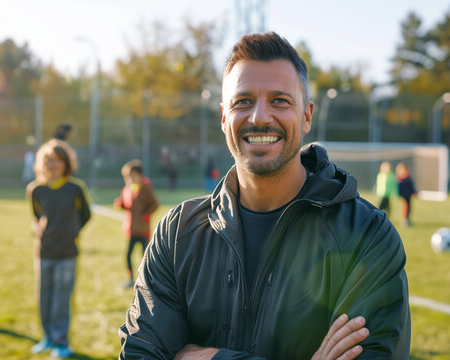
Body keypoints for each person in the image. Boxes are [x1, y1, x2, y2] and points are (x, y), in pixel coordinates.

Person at [119, 32, 410, 359]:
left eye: (280, 101)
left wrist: (206, 356)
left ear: (307, 117)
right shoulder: (177, 233)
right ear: (224, 117)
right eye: (243, 101)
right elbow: (140, 354)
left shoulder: (367, 235)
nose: (259, 117)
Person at [26, 139, 91, 358]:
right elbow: (37, 215)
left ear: (66, 163)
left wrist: (71, 232)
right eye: (49, 161)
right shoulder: (35, 189)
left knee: (62, 299)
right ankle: (48, 337)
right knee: (44, 296)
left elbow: (86, 216)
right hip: (43, 251)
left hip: (67, 252)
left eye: (57, 161)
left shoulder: (75, 188)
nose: (53, 165)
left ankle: (62, 343)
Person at [114, 160, 160, 288]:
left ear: (140, 175)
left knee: (145, 257)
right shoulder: (127, 189)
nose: (130, 179)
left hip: (143, 230)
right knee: (128, 255)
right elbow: (127, 205)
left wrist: (146, 215)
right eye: (127, 176)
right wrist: (121, 205)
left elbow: (155, 204)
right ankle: (130, 279)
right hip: (131, 229)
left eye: (132, 175)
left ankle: (149, 280)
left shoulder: (145, 187)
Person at [396, 162, 417, 227]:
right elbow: (400, 190)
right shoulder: (401, 181)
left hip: (409, 196)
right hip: (405, 197)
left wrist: (414, 193)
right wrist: (400, 195)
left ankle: (408, 219)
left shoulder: (409, 179)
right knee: (405, 208)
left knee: (409, 208)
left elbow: (411, 188)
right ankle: (404, 220)